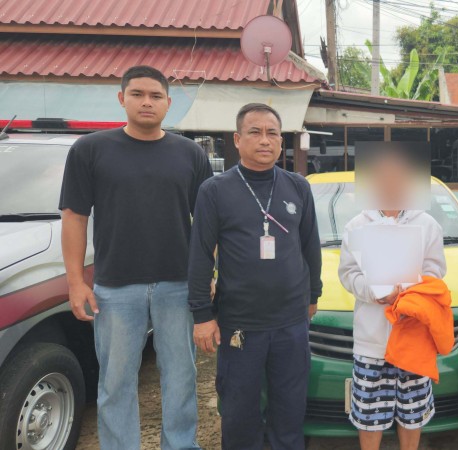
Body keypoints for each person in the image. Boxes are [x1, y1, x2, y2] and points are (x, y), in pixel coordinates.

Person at [59, 65, 211, 450]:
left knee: (181, 377)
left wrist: (209, 275)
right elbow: (74, 217)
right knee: (115, 382)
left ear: (168, 103)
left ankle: (180, 444)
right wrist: (75, 282)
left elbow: (209, 222)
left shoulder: (190, 154)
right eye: (138, 94)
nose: (147, 102)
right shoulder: (90, 150)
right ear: (121, 98)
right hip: (115, 287)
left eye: (156, 96)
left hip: (178, 284)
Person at [188, 103, 322, 450]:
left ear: (281, 141)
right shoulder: (215, 190)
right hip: (240, 324)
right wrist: (202, 315)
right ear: (237, 139)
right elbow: (200, 254)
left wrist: (313, 296)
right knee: (239, 412)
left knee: (290, 410)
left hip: (291, 322)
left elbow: (310, 246)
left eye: (272, 133)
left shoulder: (297, 187)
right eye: (255, 132)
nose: (265, 140)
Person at [339, 148, 447, 450]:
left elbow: (435, 271)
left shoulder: (427, 224)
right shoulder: (356, 225)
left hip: (413, 335)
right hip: (372, 340)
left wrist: (410, 288)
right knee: (369, 414)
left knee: (413, 413)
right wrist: (376, 291)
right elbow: (348, 274)